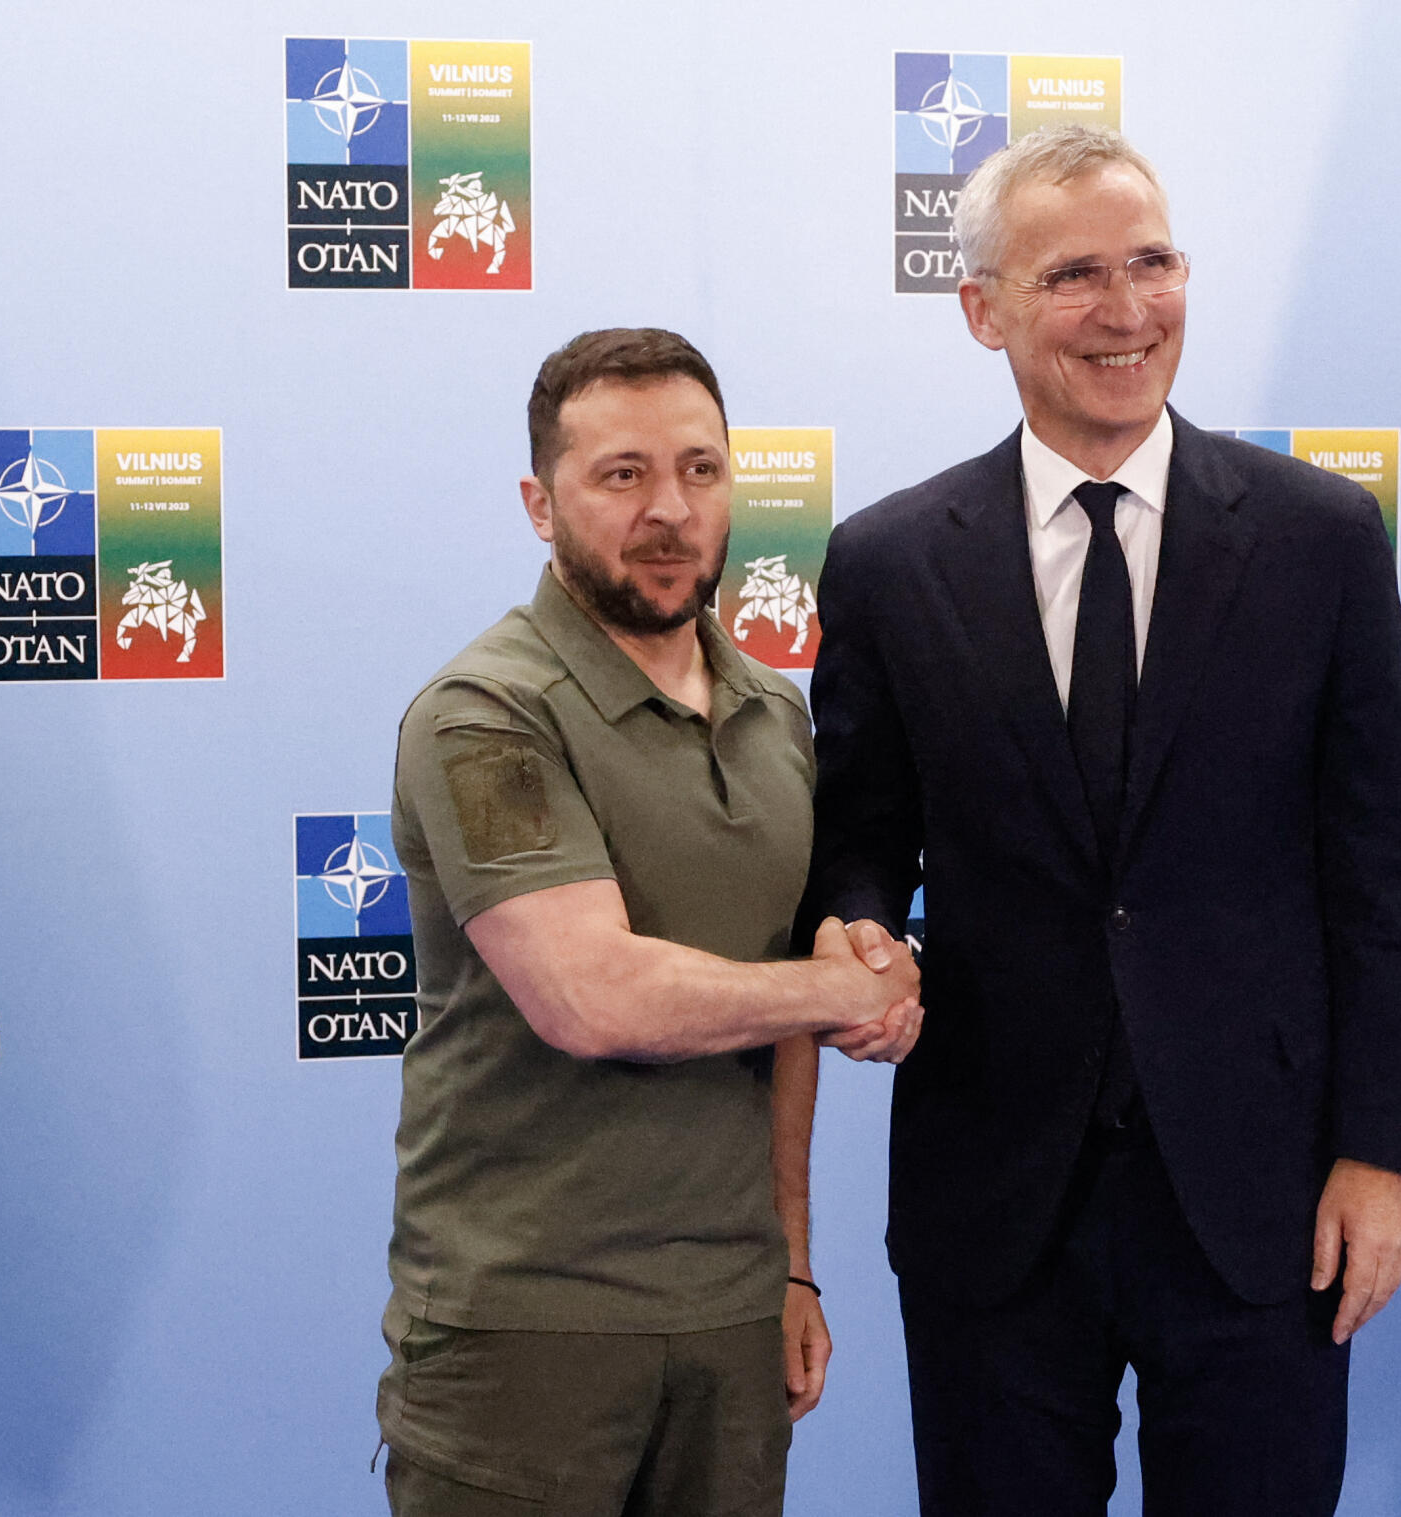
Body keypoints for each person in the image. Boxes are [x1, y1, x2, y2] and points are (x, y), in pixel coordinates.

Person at [800, 126, 1401, 1515]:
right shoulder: (889, 563)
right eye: (1075, 275)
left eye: (1151, 263)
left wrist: (1382, 1156)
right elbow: (857, 836)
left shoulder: (1321, 539)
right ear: (985, 309)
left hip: (1264, 1202)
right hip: (995, 1199)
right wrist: (856, 924)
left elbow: (1389, 881)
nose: (1126, 310)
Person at [378, 327, 921, 1517]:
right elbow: (590, 994)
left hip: (730, 1317)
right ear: (540, 501)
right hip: (526, 1325)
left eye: (699, 469)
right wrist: (841, 989)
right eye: (621, 474)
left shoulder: (774, 710)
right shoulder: (484, 714)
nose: (668, 509)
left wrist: (788, 1259)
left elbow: (778, 1024)